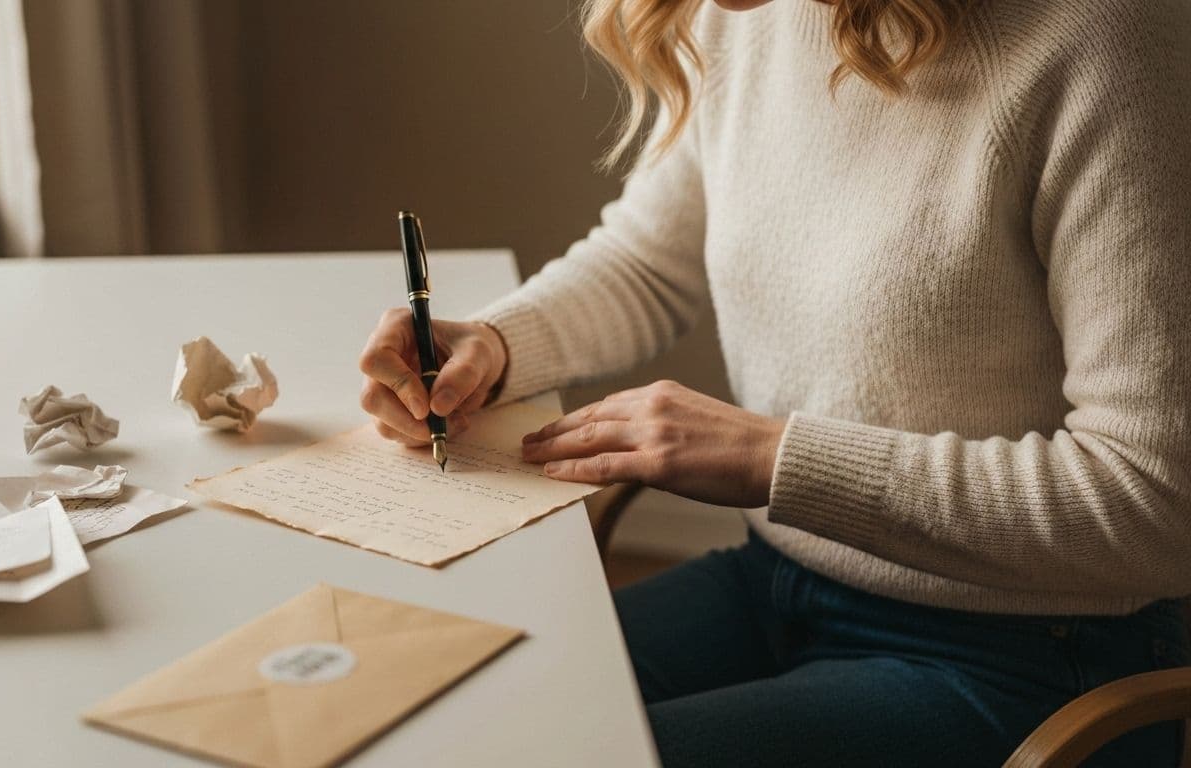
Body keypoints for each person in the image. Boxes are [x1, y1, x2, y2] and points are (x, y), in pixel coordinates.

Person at [358, 0, 1191, 764]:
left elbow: (1159, 499)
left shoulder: (1102, 41)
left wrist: (775, 459)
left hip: (1031, 652)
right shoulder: (749, 12)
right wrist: (495, 345)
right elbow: (651, 259)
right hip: (779, 577)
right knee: (440, 716)